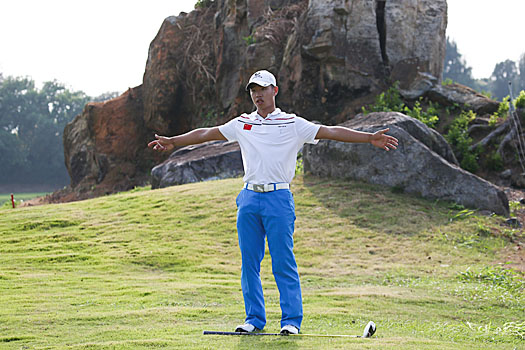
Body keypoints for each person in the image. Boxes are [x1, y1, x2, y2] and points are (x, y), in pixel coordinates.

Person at [148, 70, 398, 335]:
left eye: (263, 89)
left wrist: (368, 138)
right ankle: (253, 319)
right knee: (249, 263)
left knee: (282, 262)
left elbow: (330, 132)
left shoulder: (293, 123)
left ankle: (291, 321)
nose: (257, 94)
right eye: (253, 90)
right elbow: (206, 134)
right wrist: (173, 141)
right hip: (249, 198)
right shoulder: (242, 123)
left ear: (274, 91)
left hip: (278, 198)